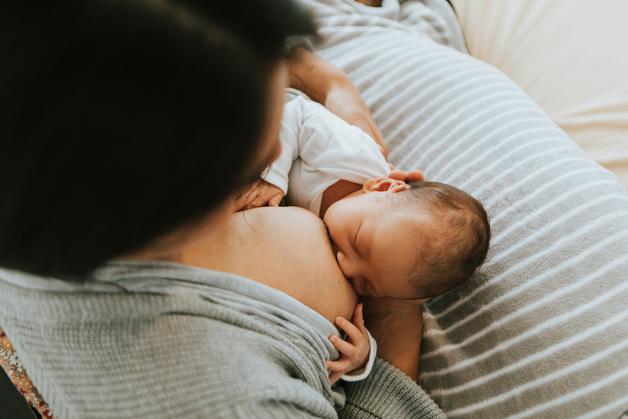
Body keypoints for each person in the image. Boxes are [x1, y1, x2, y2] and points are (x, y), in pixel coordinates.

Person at [0, 0, 445, 417]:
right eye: (257, 161)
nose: (277, 151)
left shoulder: (44, 90)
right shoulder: (235, 399)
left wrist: (328, 82)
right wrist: (396, 308)